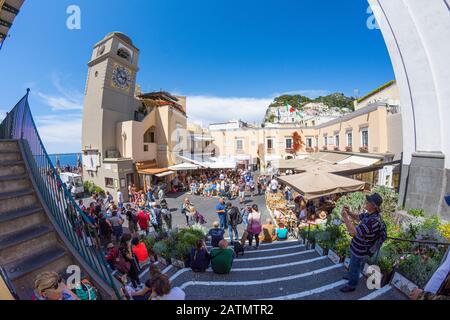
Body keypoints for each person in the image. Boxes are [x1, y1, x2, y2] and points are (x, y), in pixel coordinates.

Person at [340, 193, 386, 293]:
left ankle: (351, 285)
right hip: (357, 247)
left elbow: (353, 232)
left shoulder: (373, 221)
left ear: (374, 206)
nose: (366, 202)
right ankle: (351, 275)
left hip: (361, 250)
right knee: (353, 265)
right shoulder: (369, 214)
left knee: (355, 267)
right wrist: (349, 212)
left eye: (368, 201)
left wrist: (345, 217)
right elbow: (358, 217)